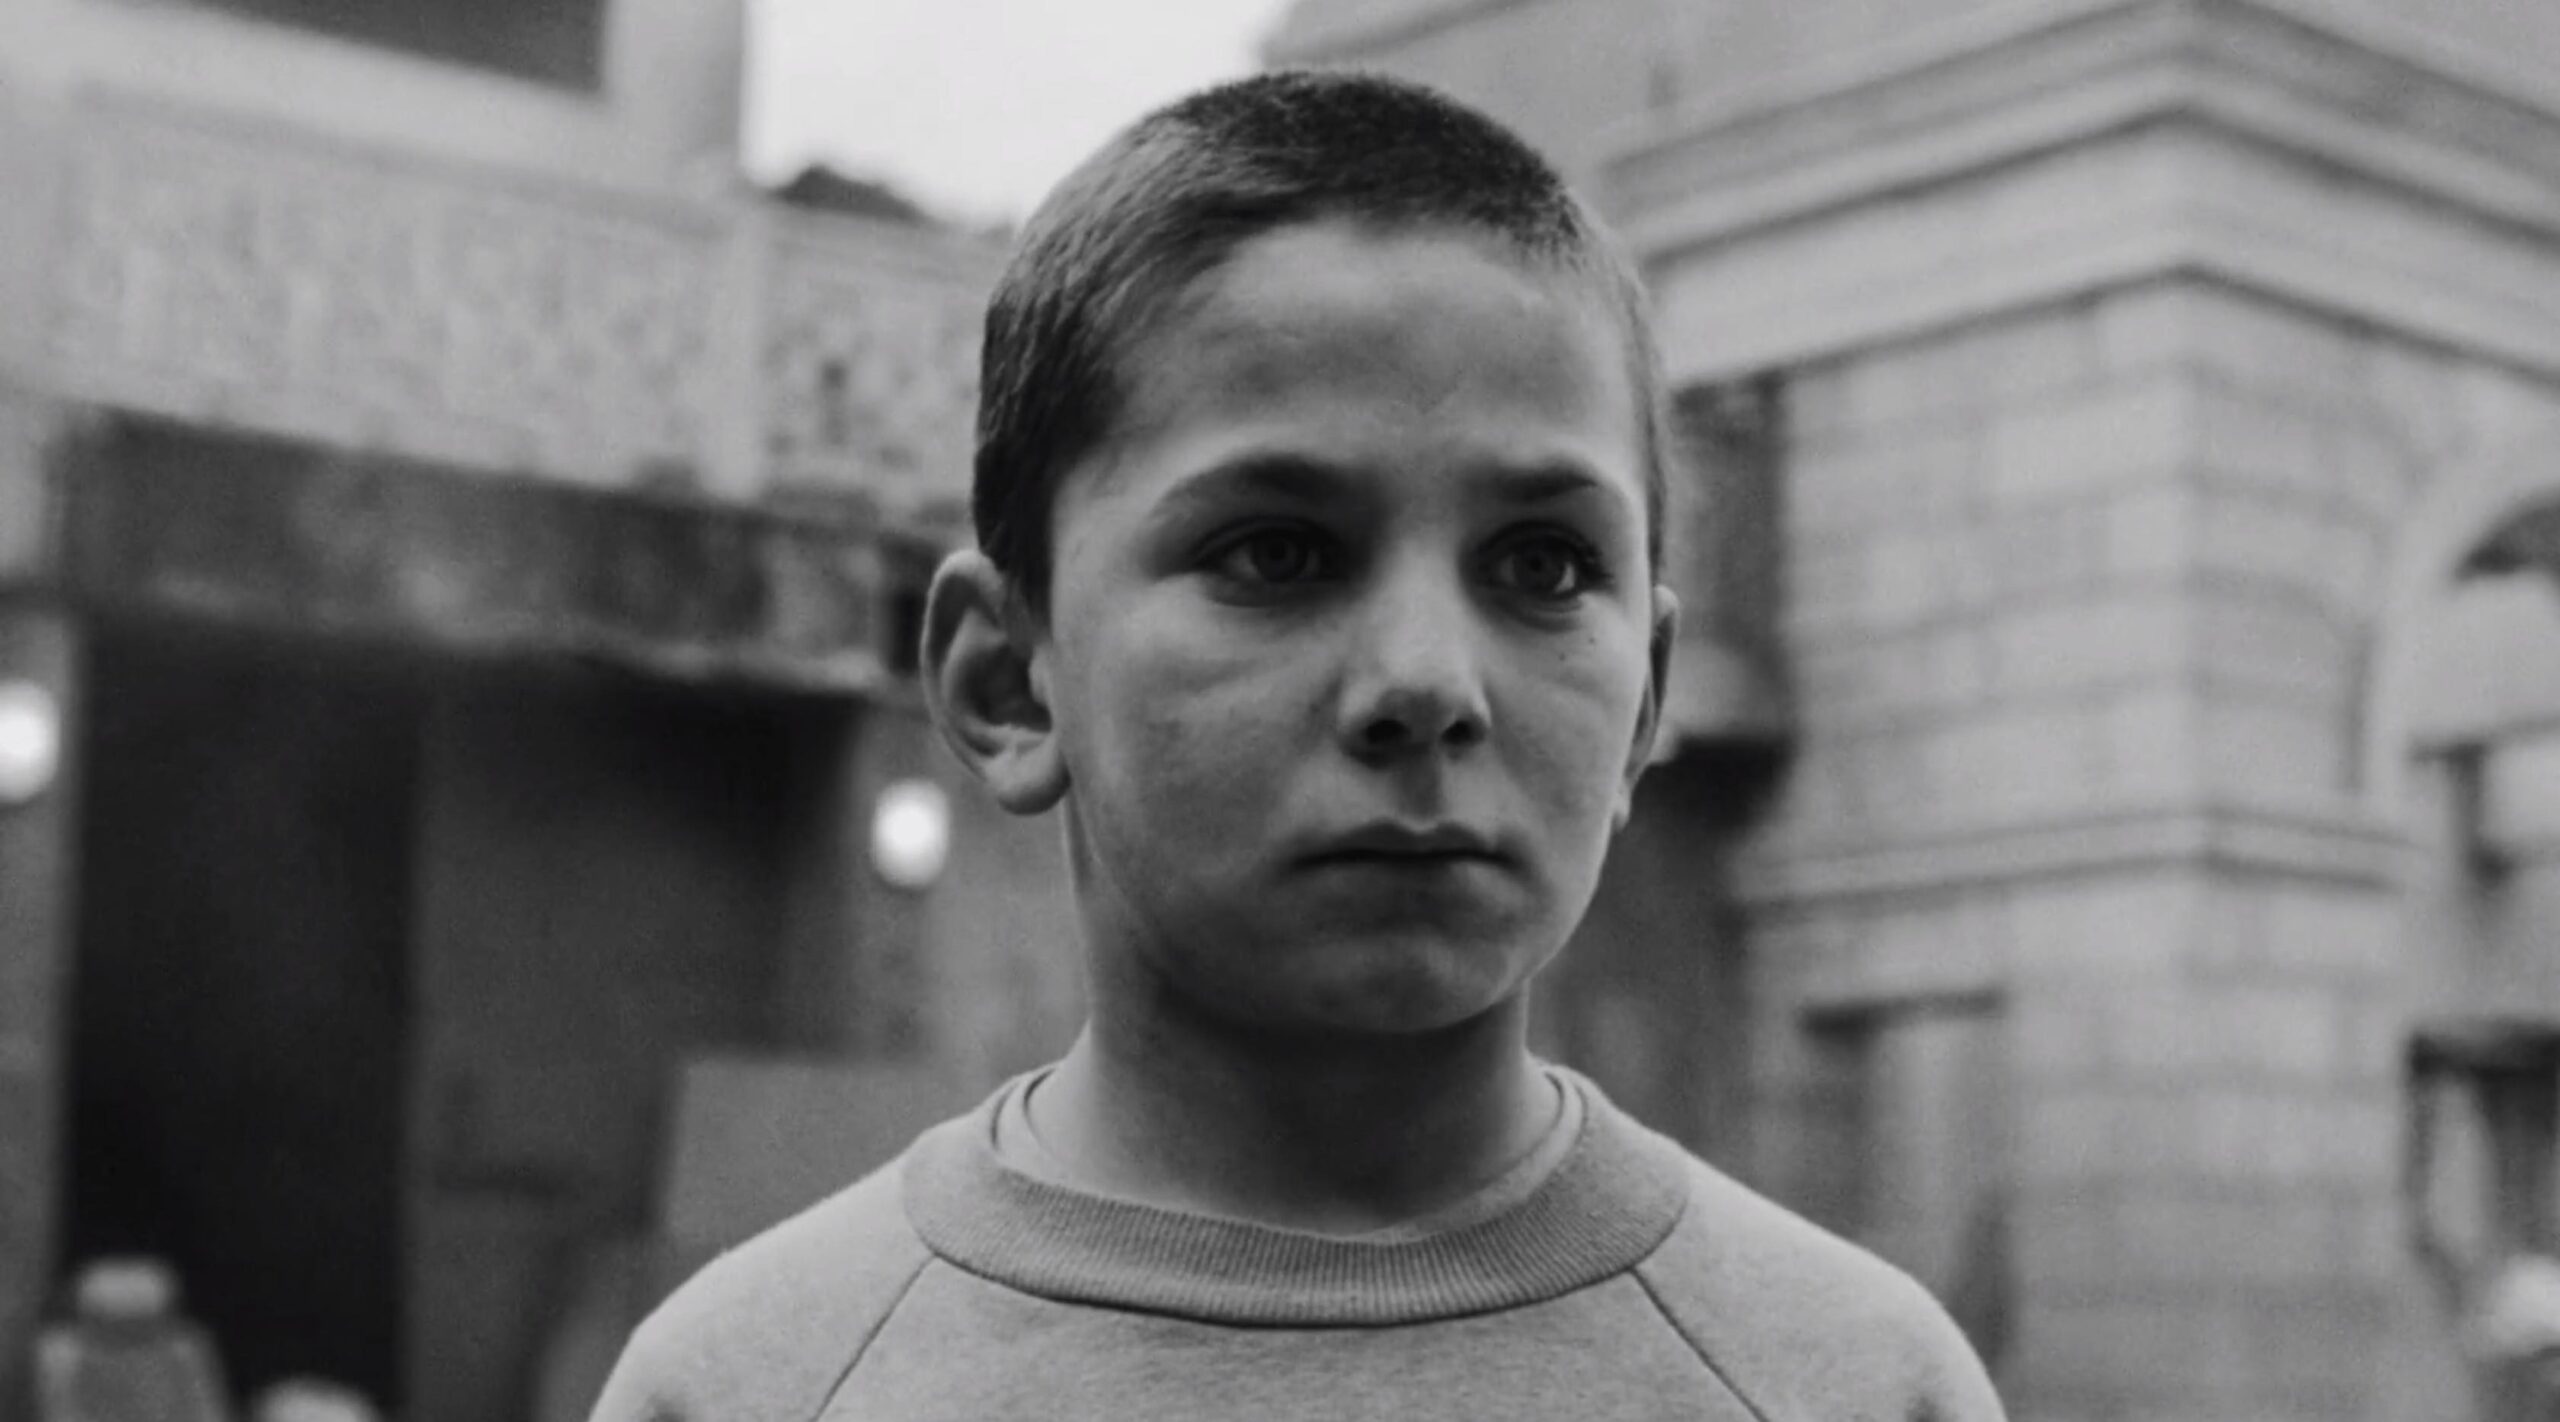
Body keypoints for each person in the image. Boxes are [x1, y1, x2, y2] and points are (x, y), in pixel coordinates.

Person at [590, 69, 2005, 1420]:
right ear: (1010, 682)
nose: (1426, 682)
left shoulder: (1855, 1383)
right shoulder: (754, 1385)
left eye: (1543, 566)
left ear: (1647, 703)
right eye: (1277, 552)